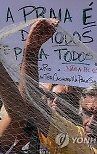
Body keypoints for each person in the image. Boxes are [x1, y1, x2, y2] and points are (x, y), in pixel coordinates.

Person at [19, 18, 97, 153]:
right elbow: (31, 102)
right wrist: (32, 49)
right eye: (87, 113)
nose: (90, 123)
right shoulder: (77, 140)